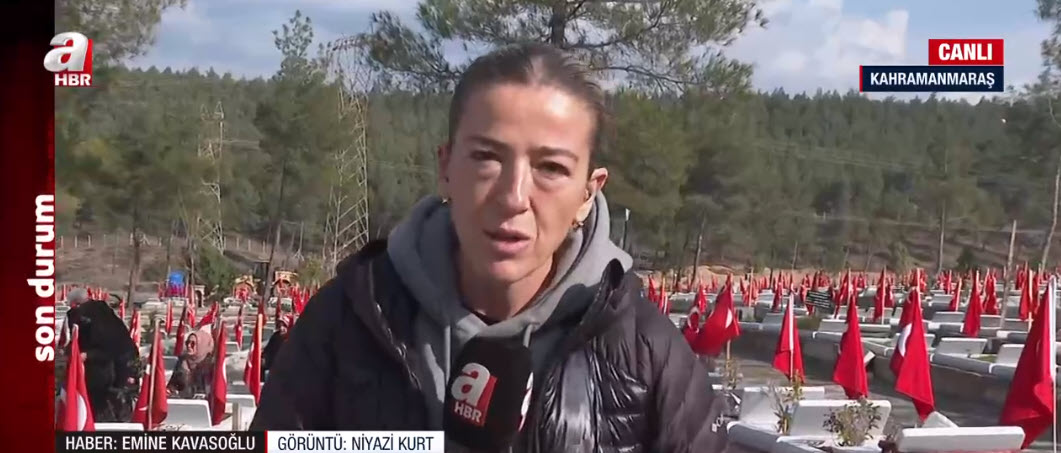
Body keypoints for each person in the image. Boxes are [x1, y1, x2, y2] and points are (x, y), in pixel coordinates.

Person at [251, 43, 723, 451]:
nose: (513, 197)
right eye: (486, 158)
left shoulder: (645, 350)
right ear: (446, 168)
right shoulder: (351, 319)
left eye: (551, 168)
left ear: (588, 192)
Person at [63, 295, 139, 422]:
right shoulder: (103, 317)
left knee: (108, 406)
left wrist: (87, 355)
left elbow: (108, 348)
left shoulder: (90, 316)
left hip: (109, 371)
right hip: (119, 366)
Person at [167, 328, 214, 398]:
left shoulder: (211, 365)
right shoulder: (182, 362)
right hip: (182, 402)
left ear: (202, 345)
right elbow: (172, 386)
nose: (189, 346)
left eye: (193, 343)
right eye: (187, 343)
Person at [260, 315, 290, 379]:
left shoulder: (291, 337)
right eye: (279, 326)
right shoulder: (275, 336)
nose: (281, 328)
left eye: (284, 326)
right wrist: (263, 356)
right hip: (273, 362)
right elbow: (268, 349)